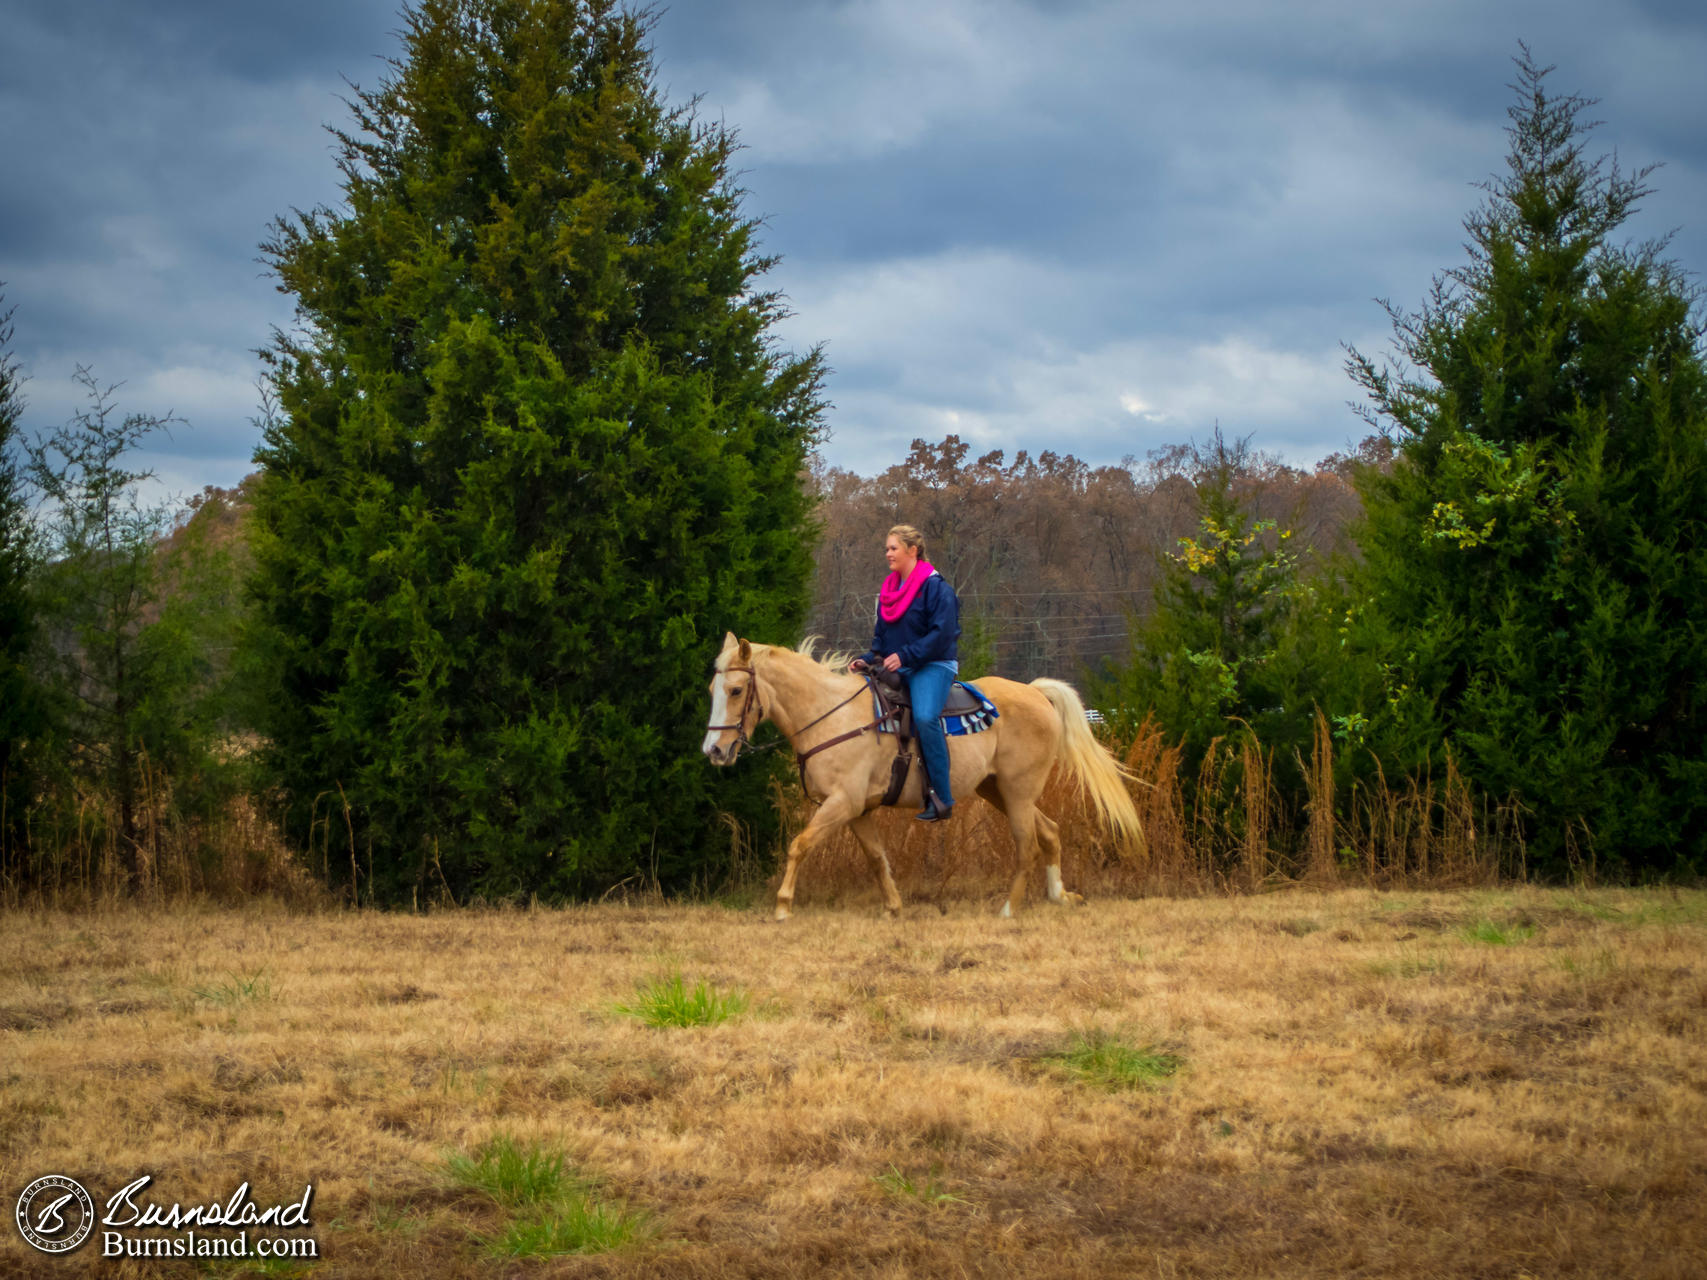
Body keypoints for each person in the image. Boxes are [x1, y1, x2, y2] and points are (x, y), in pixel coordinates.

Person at [851, 524, 961, 821]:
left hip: (933, 664)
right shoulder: (889, 591)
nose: (888, 554)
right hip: (901, 663)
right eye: (887, 548)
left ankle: (942, 799)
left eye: (893, 548)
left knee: (925, 718)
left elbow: (943, 634)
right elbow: (881, 643)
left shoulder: (937, 588)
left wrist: (905, 655)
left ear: (913, 551)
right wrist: (866, 659)